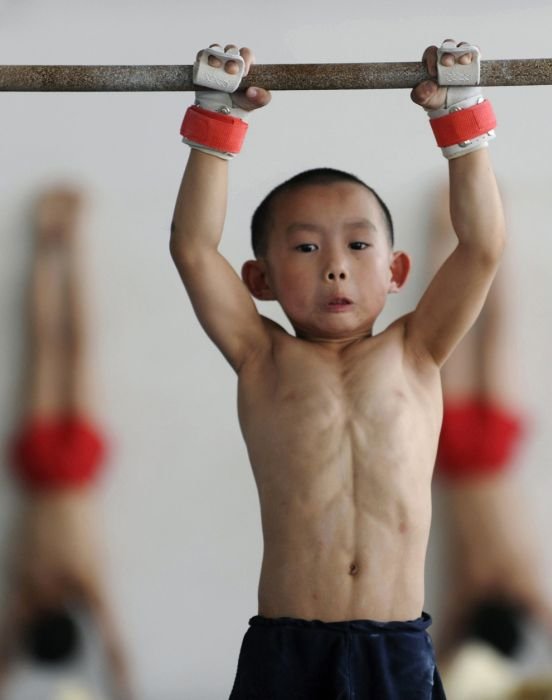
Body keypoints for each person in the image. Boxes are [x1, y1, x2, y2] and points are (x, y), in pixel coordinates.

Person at [170, 39, 503, 698]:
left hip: (395, 645)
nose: (335, 264)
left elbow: (482, 246)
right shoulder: (261, 358)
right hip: (287, 646)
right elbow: (191, 247)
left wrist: (461, 118)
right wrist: (216, 120)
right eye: (305, 246)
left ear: (396, 271)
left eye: (357, 244)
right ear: (259, 278)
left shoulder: (418, 350)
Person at [0, 188, 133, 700]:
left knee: (54, 347)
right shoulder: (66, 587)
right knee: (66, 348)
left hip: (53, 467)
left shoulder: (38, 591)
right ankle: (65, 240)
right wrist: (122, 686)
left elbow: (8, 653)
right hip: (64, 468)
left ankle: (52, 241)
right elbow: (115, 648)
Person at [429, 186, 552, 697]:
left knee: (483, 331)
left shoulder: (514, 588)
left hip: (483, 455)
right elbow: (439, 654)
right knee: (466, 332)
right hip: (462, 457)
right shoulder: (474, 591)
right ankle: (468, 229)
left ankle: (468, 230)